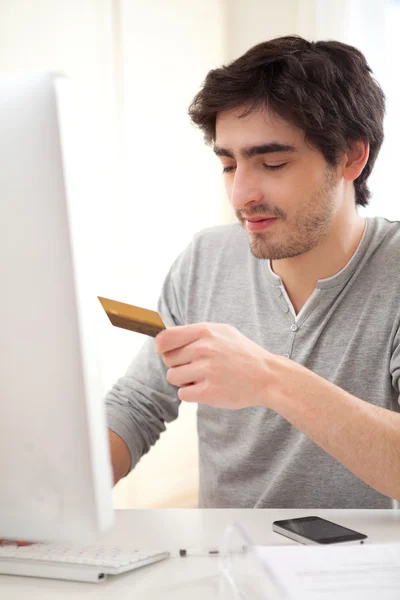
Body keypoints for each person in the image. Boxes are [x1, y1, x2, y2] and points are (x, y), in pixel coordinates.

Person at [107, 35, 400, 509]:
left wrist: (269, 379)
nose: (241, 194)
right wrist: (53, 496)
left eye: (273, 163)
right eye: (228, 165)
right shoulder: (206, 257)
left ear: (350, 156)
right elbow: (139, 404)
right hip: (223, 566)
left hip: (362, 575)